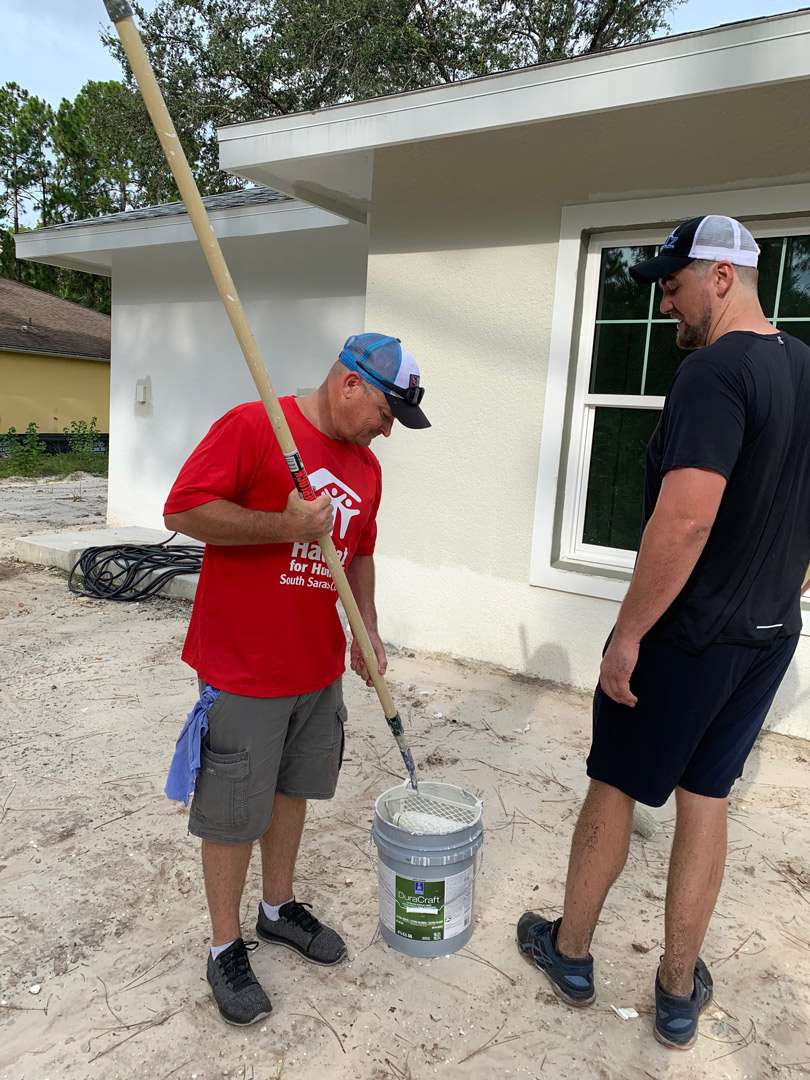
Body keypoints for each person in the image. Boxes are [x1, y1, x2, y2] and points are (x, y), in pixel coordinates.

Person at [517, 215, 810, 1050]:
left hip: (687, 638)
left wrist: (628, 636)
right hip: (768, 633)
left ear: (721, 277)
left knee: (613, 783)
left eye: (675, 285)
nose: (666, 303)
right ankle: (677, 991)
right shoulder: (805, 366)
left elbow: (684, 521)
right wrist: (787, 584)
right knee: (706, 798)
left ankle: (571, 951)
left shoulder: (714, 373)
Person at [163, 333, 429, 1026]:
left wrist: (366, 628)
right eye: (386, 412)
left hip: (315, 669)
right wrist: (282, 525)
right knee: (231, 812)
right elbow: (182, 509)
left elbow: (360, 551)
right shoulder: (256, 426)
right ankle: (225, 947)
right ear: (350, 383)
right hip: (243, 667)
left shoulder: (366, 468)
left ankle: (277, 908)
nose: (387, 430)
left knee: (292, 792)